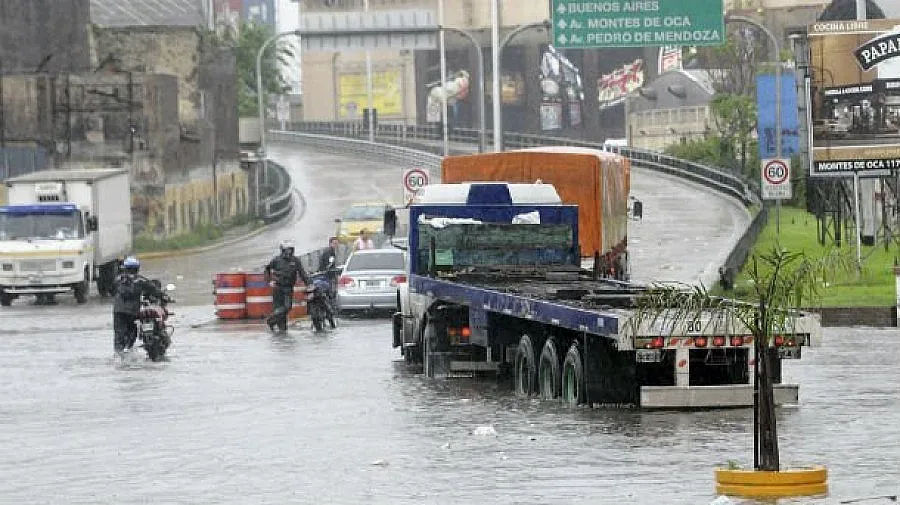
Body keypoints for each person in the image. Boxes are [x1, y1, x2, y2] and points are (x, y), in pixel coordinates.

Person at [113, 256, 165, 356]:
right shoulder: (141, 280)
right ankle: (127, 351)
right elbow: (155, 290)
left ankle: (119, 355)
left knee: (119, 335)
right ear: (137, 268)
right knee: (131, 333)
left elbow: (113, 290)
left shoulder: (118, 280)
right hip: (132, 312)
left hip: (119, 312)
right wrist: (165, 297)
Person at [264, 239, 310, 331]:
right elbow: (267, 269)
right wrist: (269, 281)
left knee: (287, 307)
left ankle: (271, 320)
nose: (289, 251)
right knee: (280, 311)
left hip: (288, 288)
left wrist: (309, 284)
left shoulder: (295, 260)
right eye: (287, 249)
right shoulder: (276, 260)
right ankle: (281, 331)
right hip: (277, 287)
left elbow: (302, 273)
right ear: (283, 250)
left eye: (290, 249)